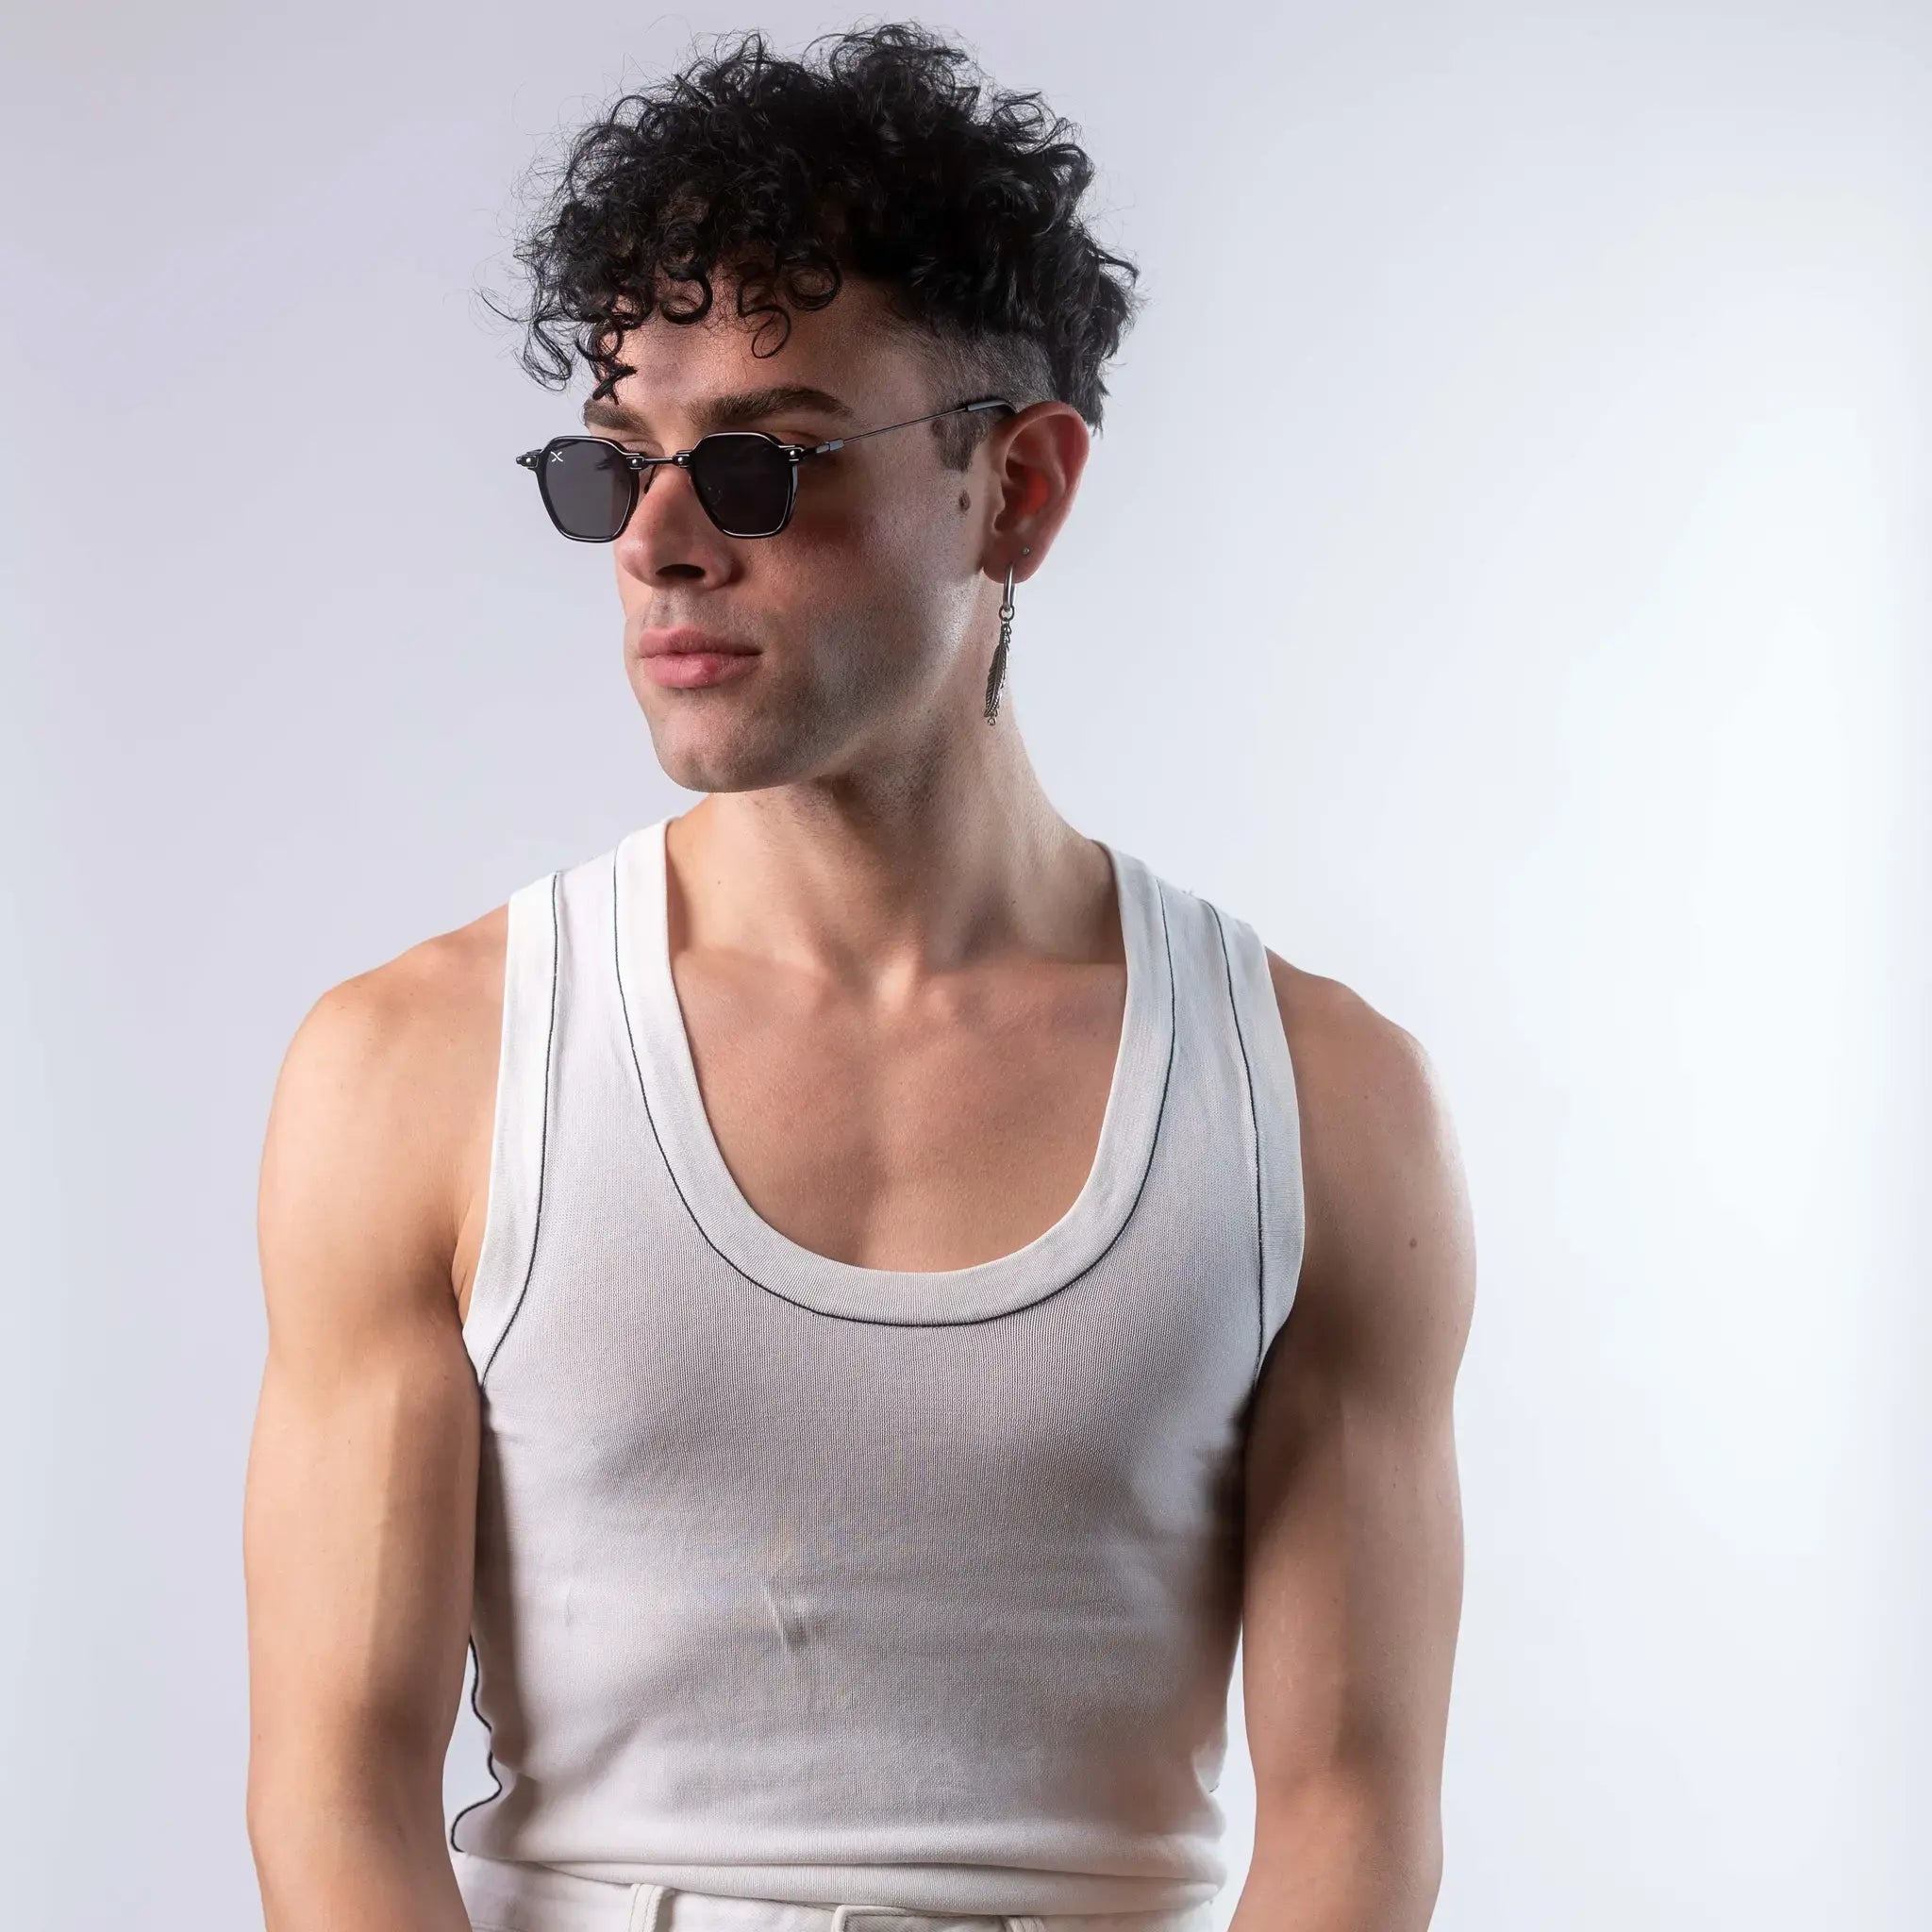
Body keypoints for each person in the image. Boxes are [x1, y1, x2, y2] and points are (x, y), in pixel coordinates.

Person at [242, 21, 1475, 1932]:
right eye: (619, 461)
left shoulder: (1316, 1101)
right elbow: (333, 1793)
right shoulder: (418, 1064)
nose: (658, 544)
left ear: (1022, 492)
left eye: (766, 463)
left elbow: (1352, 1813)